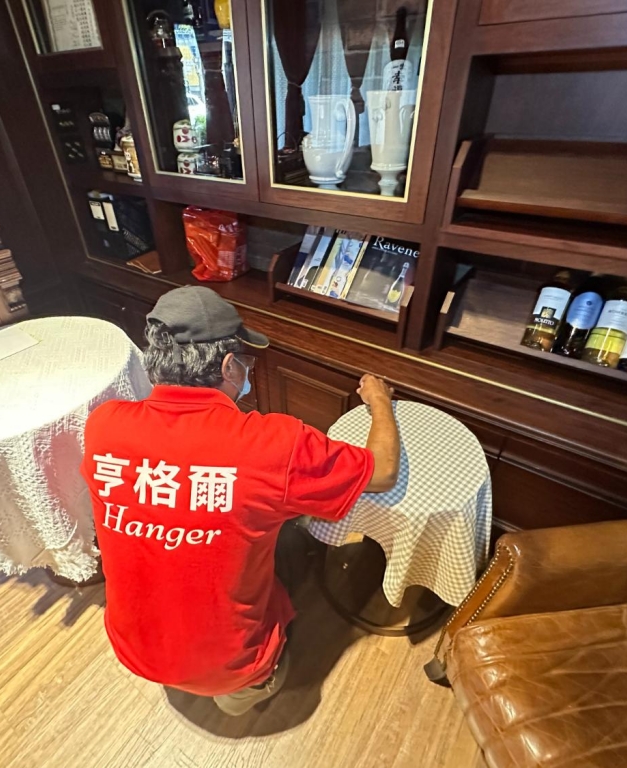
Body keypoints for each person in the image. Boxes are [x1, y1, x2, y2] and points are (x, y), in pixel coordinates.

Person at [81, 285, 400, 715]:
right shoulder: (273, 445)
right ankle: (245, 691)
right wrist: (380, 402)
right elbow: (382, 472)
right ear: (229, 366)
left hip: (133, 650)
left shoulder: (103, 425)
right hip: (232, 664)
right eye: (246, 362)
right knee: (295, 534)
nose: (247, 370)